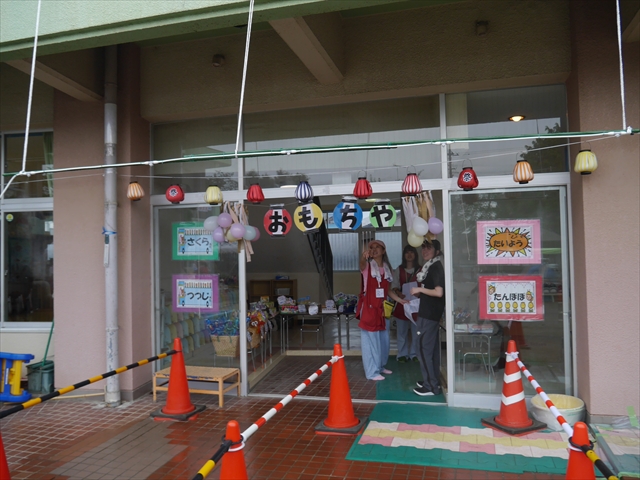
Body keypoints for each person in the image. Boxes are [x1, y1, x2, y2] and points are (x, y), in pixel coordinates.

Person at [357, 239, 407, 381]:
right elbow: (361, 264)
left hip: (382, 308)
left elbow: (387, 291)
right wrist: (363, 257)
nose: (374, 249)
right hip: (369, 308)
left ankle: (380, 366)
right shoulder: (367, 266)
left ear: (383, 251)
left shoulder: (387, 269)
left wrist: (400, 301)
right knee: (370, 341)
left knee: (383, 340)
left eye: (377, 247)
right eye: (371, 247)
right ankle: (371, 372)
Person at [410, 239, 445, 396]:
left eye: (429, 248)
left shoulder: (435, 267)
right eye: (423, 248)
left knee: (422, 349)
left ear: (436, 251)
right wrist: (421, 292)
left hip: (429, 315)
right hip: (430, 314)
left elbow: (438, 292)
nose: (424, 251)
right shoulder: (430, 266)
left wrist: (420, 290)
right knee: (430, 350)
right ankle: (432, 380)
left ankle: (431, 386)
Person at [388, 245, 420, 363]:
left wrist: (420, 292)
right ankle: (402, 353)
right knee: (401, 331)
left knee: (416, 332)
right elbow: (394, 286)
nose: (409, 254)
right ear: (404, 255)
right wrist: (398, 293)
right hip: (402, 304)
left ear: (415, 254)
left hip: (416, 304)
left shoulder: (421, 270)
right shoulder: (399, 270)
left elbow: (425, 285)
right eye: (407, 252)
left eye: (412, 252)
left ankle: (415, 353)